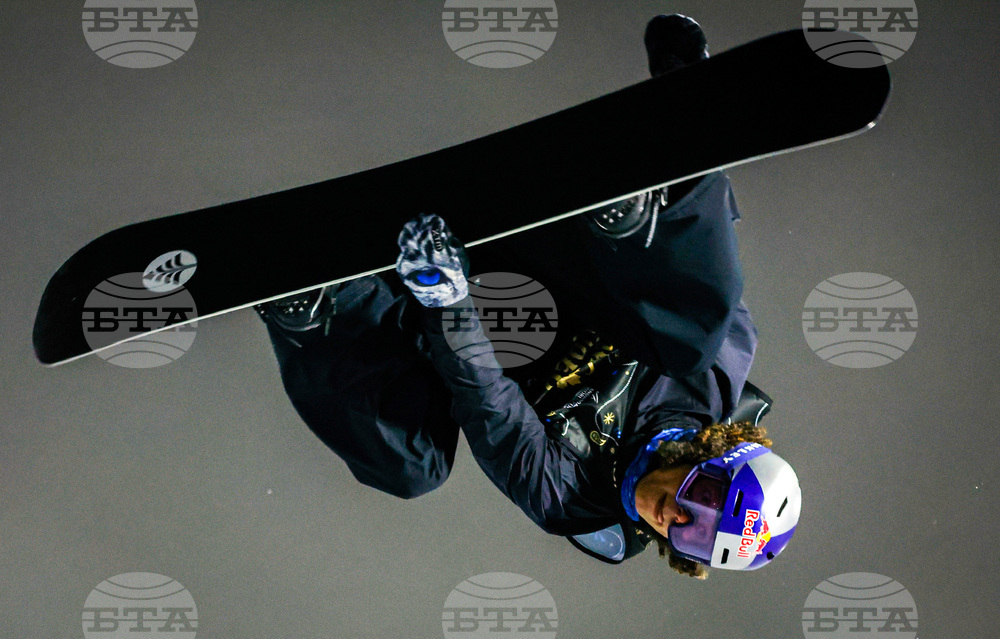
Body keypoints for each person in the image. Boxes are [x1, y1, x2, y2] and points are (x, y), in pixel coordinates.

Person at [256, 15, 801, 579]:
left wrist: (447, 300)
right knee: (695, 340)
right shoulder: (712, 377)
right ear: (719, 455)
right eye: (707, 500)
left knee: (412, 469)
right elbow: (707, 258)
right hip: (555, 245)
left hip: (447, 296)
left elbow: (492, 410)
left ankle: (320, 313)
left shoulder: (575, 503)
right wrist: (693, 128)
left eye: (696, 538)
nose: (680, 517)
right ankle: (647, 191)